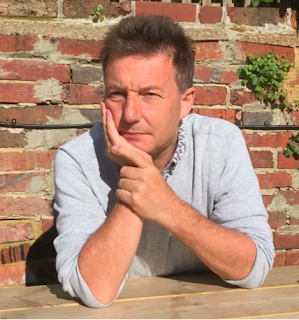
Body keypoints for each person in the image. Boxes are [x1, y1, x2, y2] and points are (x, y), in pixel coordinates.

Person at [53, 15, 275, 308]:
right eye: (117, 94)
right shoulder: (77, 160)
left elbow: (254, 268)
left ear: (186, 101)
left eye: (150, 95)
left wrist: (166, 205)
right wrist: (134, 185)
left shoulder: (220, 143)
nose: (130, 114)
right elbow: (94, 290)